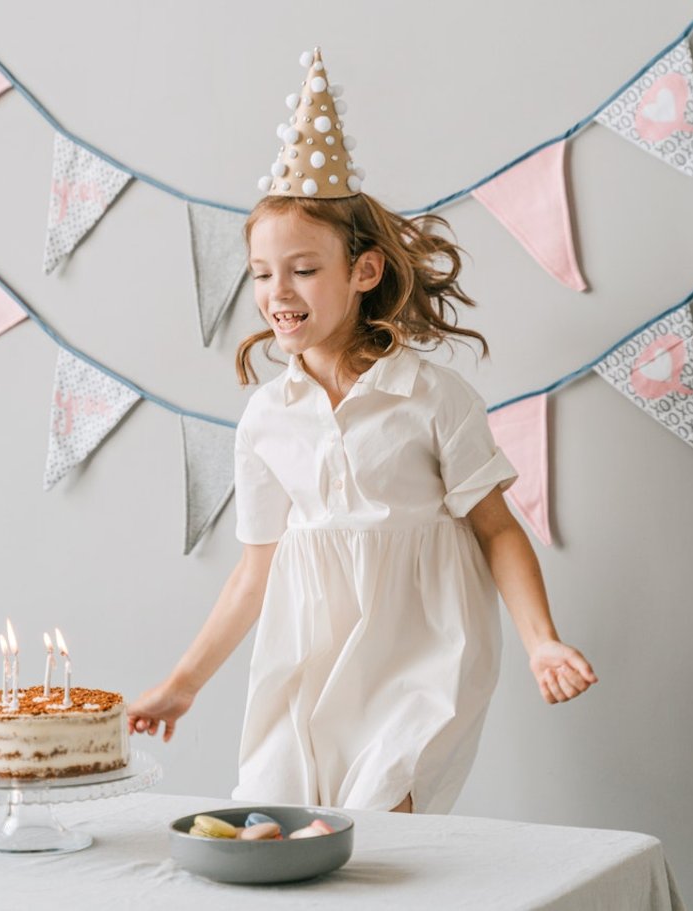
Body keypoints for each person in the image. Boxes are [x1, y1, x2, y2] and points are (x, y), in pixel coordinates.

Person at [127, 49, 595, 815]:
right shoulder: (266, 417)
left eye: (304, 269)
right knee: (276, 827)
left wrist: (542, 639)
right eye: (263, 273)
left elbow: (497, 529)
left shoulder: (432, 396)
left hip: (423, 649)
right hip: (306, 650)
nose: (279, 292)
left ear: (364, 272)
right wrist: (183, 684)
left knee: (379, 831)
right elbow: (255, 572)